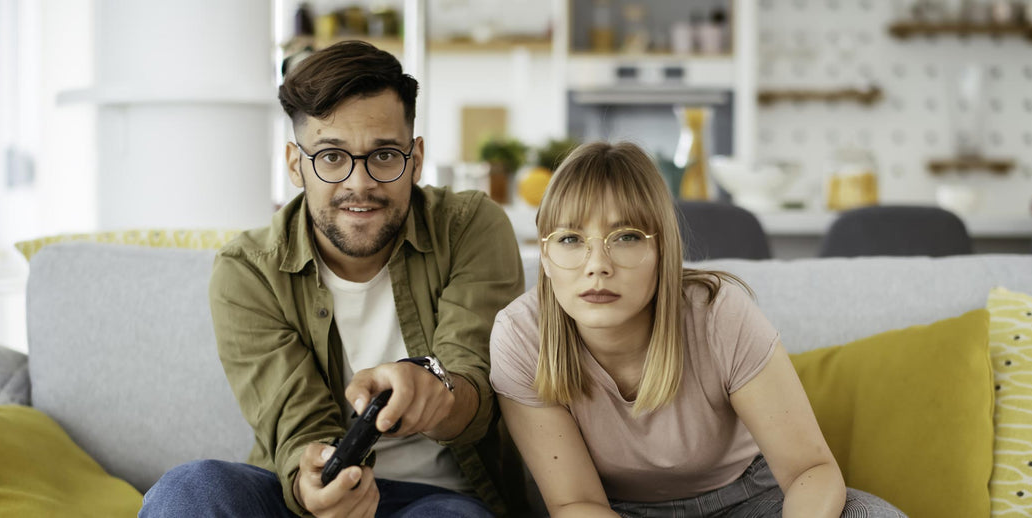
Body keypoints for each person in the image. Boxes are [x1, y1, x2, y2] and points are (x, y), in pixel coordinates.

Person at [140, 40, 525, 518]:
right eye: (331, 157)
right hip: (298, 497)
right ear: (295, 164)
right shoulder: (248, 270)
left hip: (438, 499)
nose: (359, 184)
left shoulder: (471, 227)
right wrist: (312, 487)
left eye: (384, 155)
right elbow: (296, 422)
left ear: (417, 158)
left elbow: (477, 391)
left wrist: (436, 394)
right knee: (190, 489)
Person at [489, 141, 906, 518]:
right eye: (570, 239)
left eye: (626, 236)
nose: (597, 264)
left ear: (662, 250)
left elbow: (809, 470)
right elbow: (576, 503)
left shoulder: (719, 314)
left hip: (751, 499)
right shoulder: (521, 336)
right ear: (543, 256)